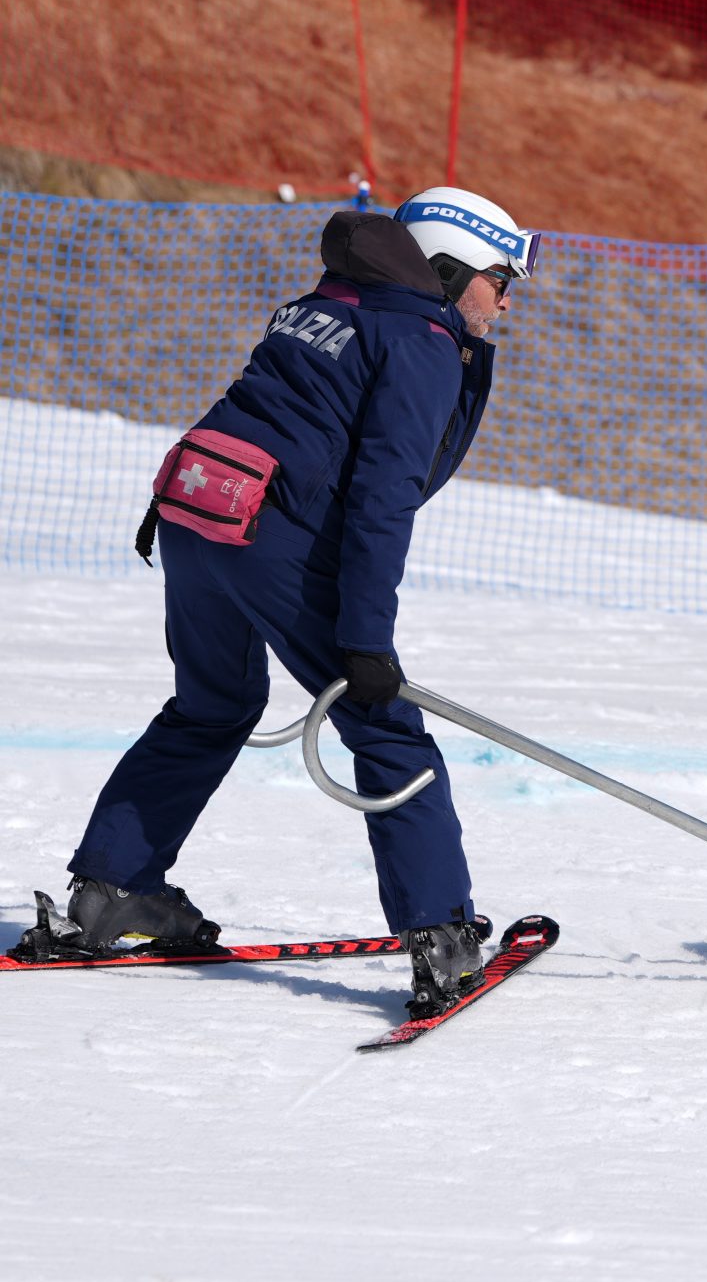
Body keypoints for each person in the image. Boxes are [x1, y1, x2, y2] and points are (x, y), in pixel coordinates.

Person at [52, 188, 537, 1016]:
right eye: (499, 279)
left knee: (211, 705)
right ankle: (443, 937)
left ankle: (111, 892)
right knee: (385, 727)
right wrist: (367, 643)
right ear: (449, 266)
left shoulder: (330, 301)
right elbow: (382, 497)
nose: (504, 300)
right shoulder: (418, 337)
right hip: (273, 536)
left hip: (196, 513)